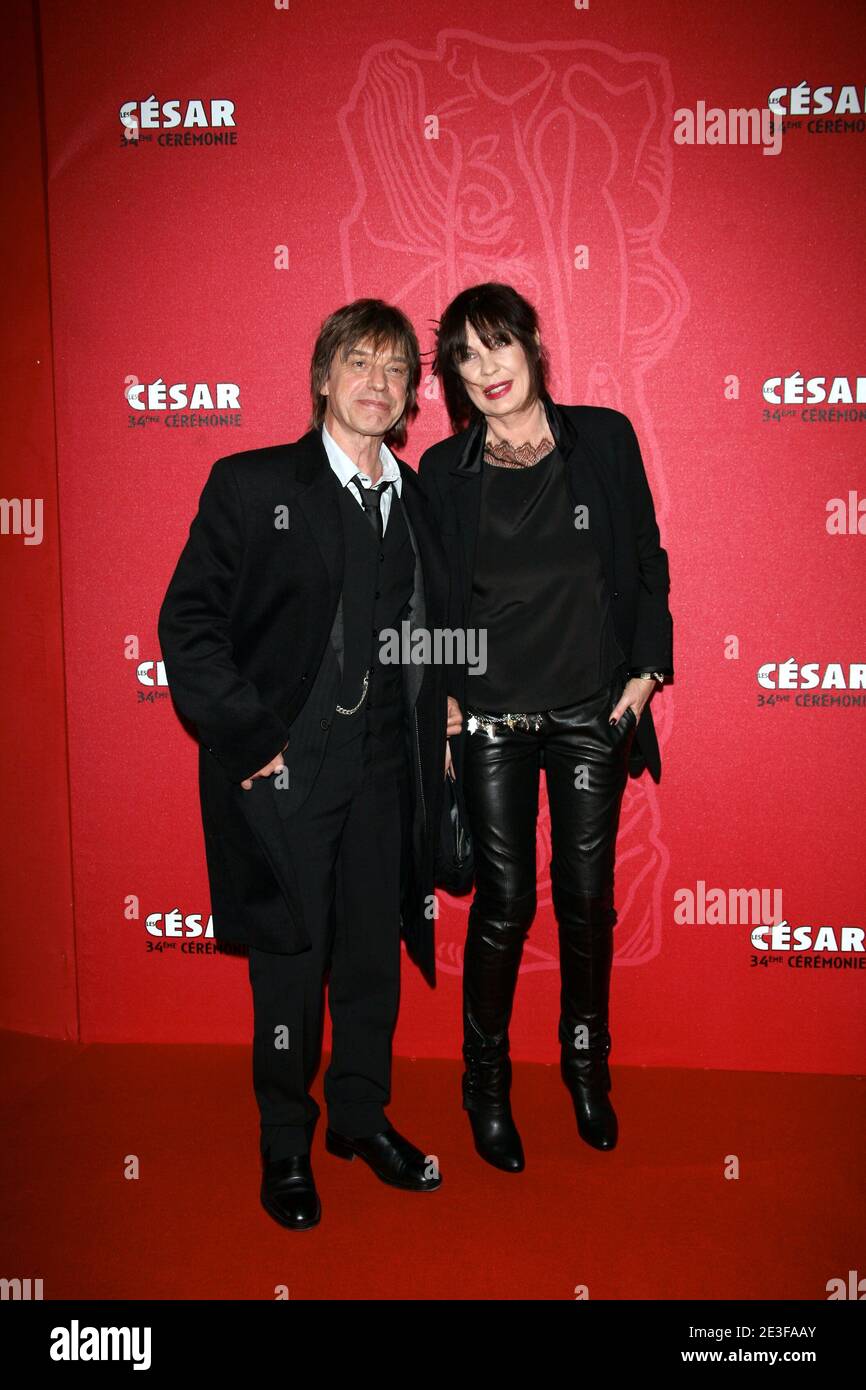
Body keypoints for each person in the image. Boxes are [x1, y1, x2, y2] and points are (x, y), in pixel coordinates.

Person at [158, 299, 457, 1229]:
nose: (379, 383)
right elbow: (188, 626)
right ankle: (286, 1141)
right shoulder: (250, 484)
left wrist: (444, 701)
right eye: (360, 364)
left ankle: (359, 1119)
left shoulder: (417, 498)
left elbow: (425, 628)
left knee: (371, 952)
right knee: (291, 963)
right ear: (323, 376)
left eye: (397, 370)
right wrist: (250, 740)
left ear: (412, 395)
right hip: (288, 770)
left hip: (385, 771)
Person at [418, 282, 673, 1170]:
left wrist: (645, 674)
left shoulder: (601, 437)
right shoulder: (443, 474)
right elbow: (432, 597)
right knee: (506, 903)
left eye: (497, 346)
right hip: (490, 716)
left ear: (532, 345)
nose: (485, 368)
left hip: (590, 710)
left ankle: (585, 1066)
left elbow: (644, 558)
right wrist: (445, 692)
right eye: (465, 355)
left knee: (587, 904)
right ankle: (485, 1085)